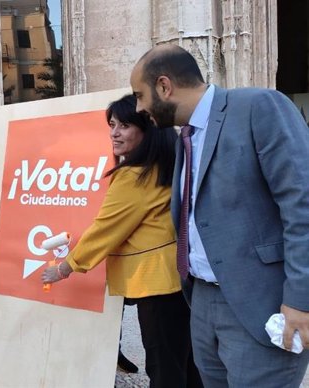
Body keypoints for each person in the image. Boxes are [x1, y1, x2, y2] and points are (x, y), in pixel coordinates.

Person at [130, 44, 309, 387]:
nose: (139, 108)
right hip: (203, 301)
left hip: (261, 306)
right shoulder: (186, 135)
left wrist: (301, 299)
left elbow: (302, 204)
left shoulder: (258, 107)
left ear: (164, 86)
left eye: (140, 95)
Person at [41, 95, 201, 388]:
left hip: (155, 286)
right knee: (187, 365)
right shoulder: (167, 166)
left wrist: (65, 268)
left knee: (164, 369)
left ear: (146, 129)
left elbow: (105, 230)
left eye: (124, 125)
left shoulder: (133, 176)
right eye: (112, 124)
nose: (114, 133)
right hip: (179, 281)